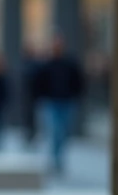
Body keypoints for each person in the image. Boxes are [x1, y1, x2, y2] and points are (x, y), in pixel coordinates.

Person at [32, 35, 85, 174]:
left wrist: (75, 96)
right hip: (51, 102)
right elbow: (38, 83)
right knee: (54, 131)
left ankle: (59, 158)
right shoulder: (46, 64)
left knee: (63, 132)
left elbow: (78, 82)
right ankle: (55, 159)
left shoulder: (70, 64)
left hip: (66, 102)